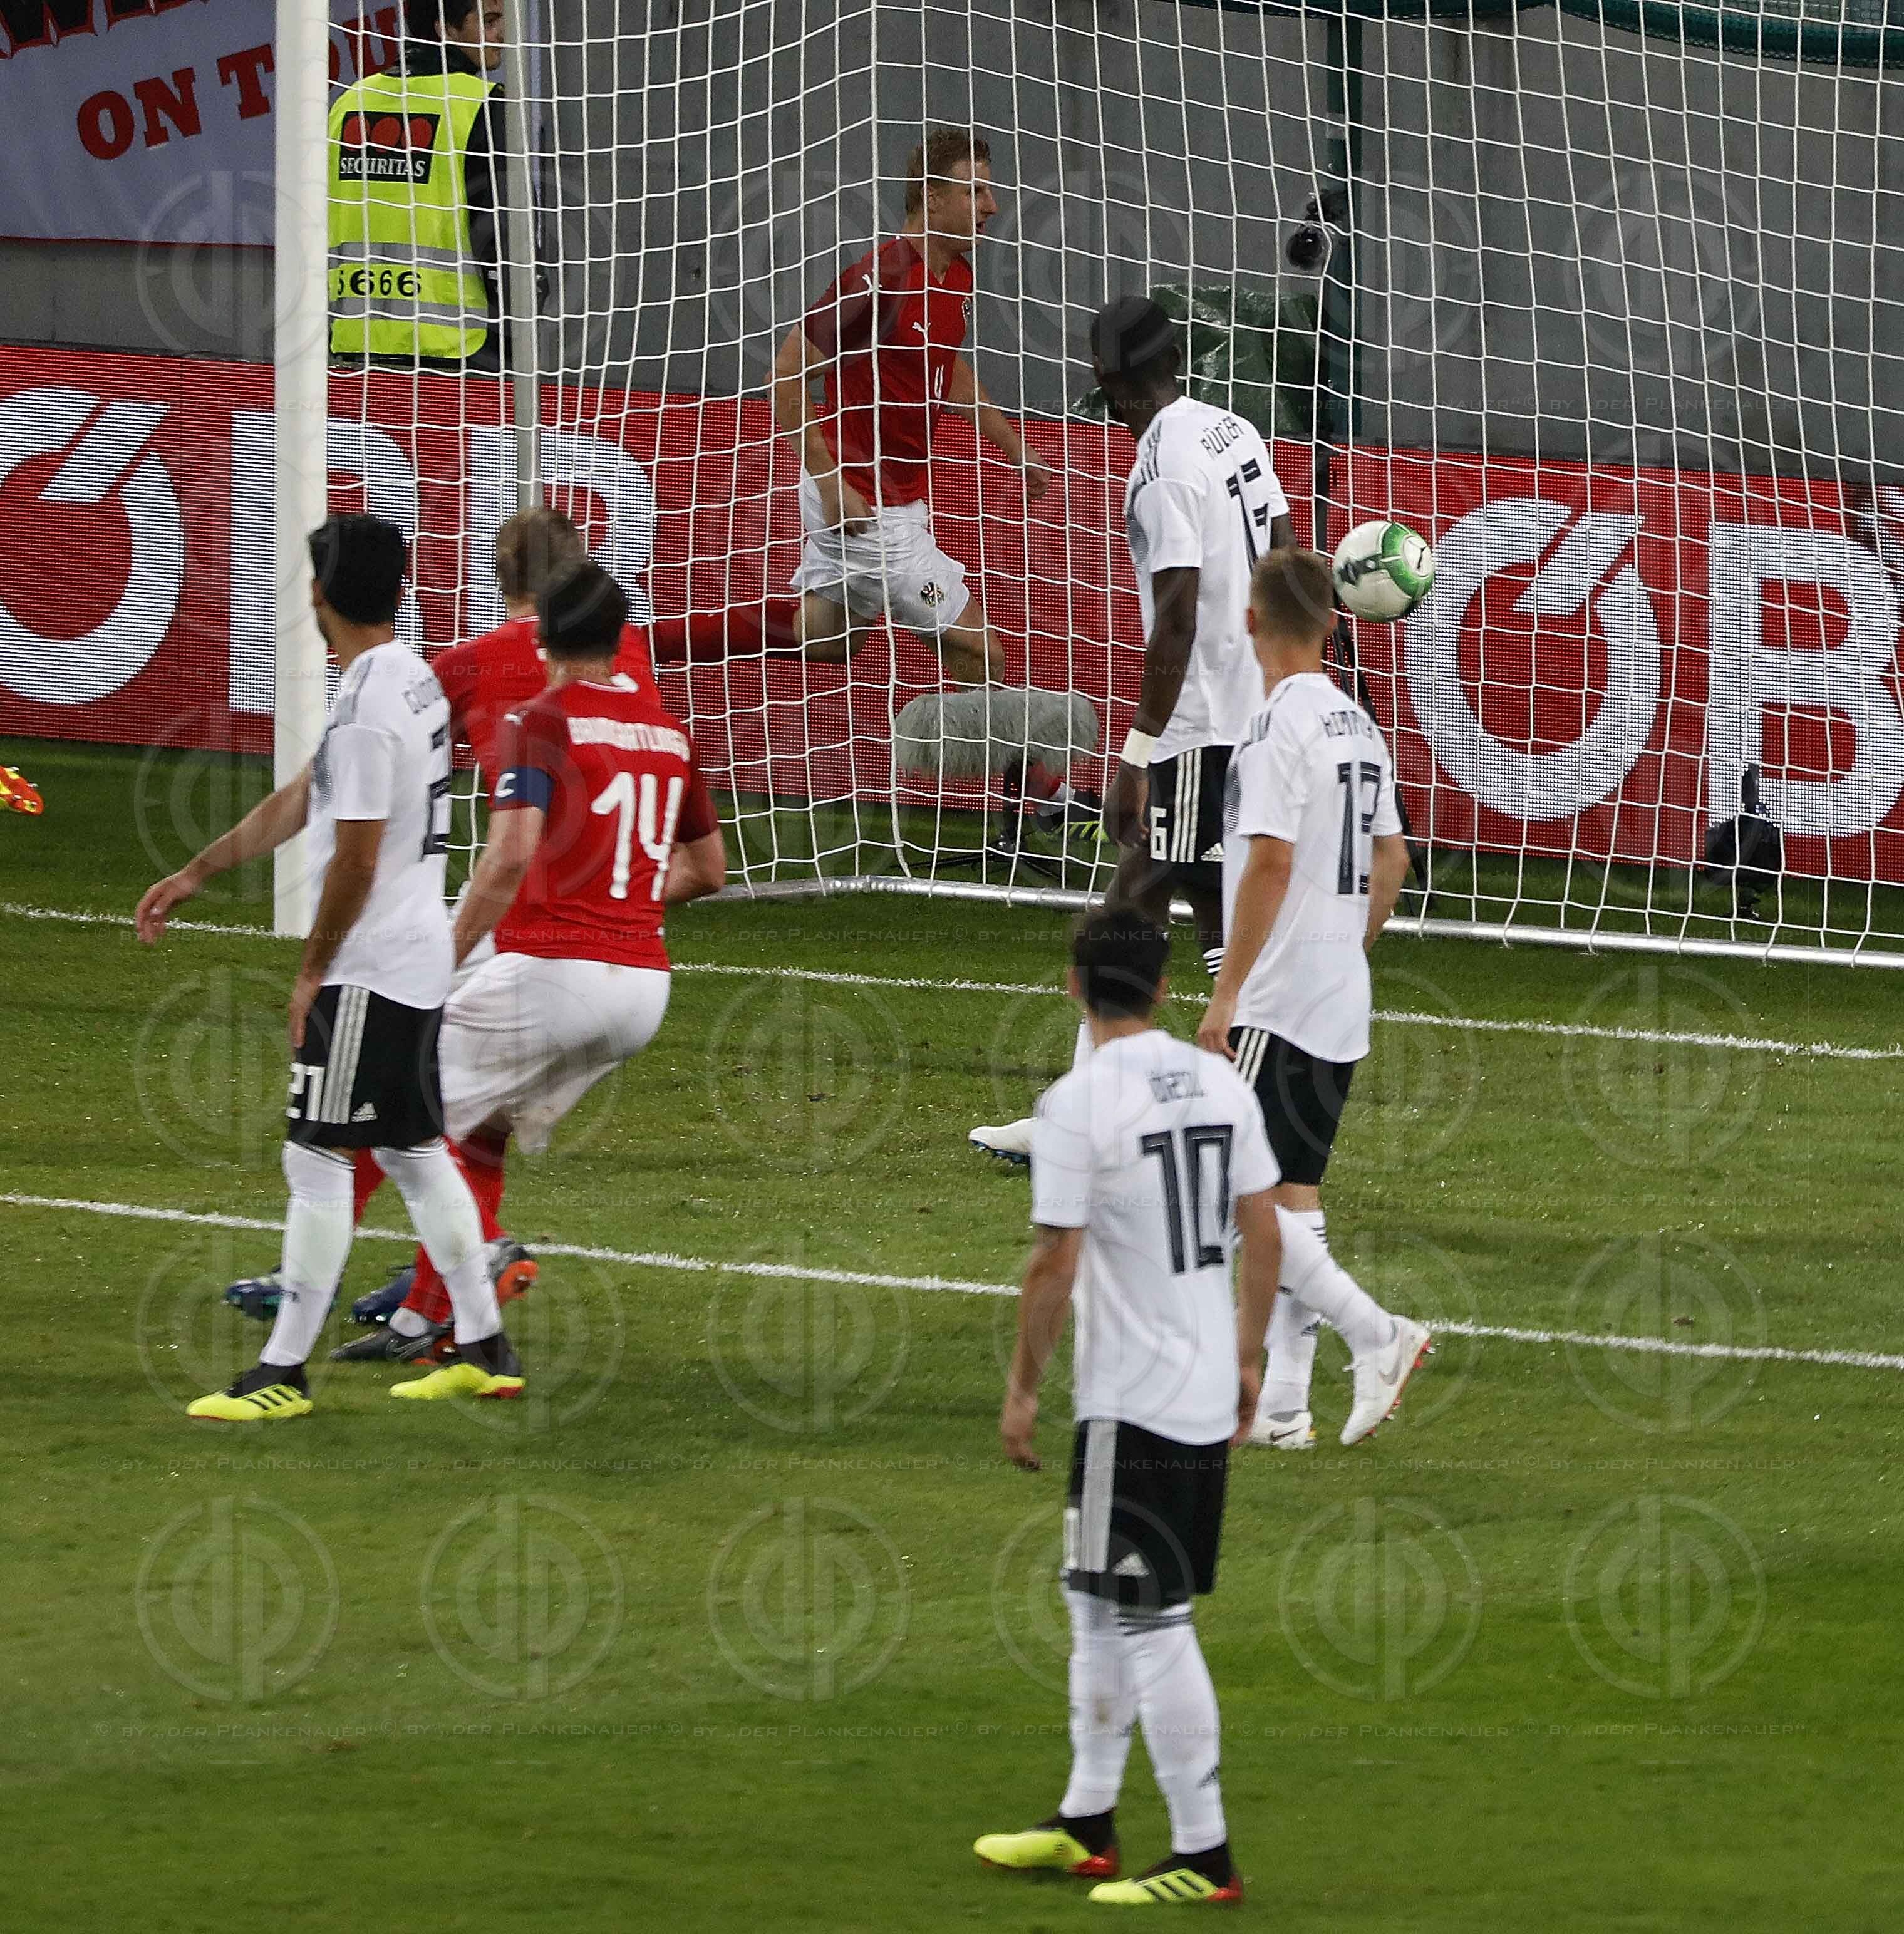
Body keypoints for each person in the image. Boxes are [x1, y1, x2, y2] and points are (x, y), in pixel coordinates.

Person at [220, 505, 653, 1351]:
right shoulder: (630, 661)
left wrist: (432, 950)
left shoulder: (455, 667)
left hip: (522, 932)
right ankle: (434, 1298)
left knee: (400, 1102)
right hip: (630, 945)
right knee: (471, 1124)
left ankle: (352, 1279)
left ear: (500, 579)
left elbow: (370, 778)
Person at [137, 513, 525, 1418]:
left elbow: (353, 857)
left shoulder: (363, 705)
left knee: (315, 1159)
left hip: (372, 967)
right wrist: (201, 869)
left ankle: (282, 1371)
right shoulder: (412, 679)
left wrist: (314, 969)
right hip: (421, 953)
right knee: (415, 1153)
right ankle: (484, 1347)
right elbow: (312, 792)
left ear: (318, 594)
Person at [974, 909, 1280, 1906]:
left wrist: (1023, 1386)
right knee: (1095, 1593)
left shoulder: (1078, 1103)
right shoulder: (1221, 1083)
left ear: (1073, 985)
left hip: (1132, 1401)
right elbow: (1264, 1226)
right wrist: (1249, 1356)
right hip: (1199, 1381)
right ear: (1159, 989)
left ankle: (1205, 1852)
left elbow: (1052, 1261)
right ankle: (1087, 1819)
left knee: (1151, 1619)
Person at [365, 556, 726, 1376]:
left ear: (542, 636)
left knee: (401, 1120)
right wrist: (623, 893)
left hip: (556, 974)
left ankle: (477, 1295)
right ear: (619, 636)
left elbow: (504, 861)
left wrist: (440, 963)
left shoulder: (540, 720)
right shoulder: (671, 735)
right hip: (643, 989)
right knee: (481, 1135)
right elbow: (708, 871)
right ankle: (427, 1318)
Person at [969, 293, 1292, 1164]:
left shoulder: (1160, 470)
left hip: (1200, 733)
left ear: (1108, 383)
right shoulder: (1235, 431)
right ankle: (1099, 1122)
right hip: (1256, 714)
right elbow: (1283, 552)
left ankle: (1204, 1136)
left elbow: (1177, 619)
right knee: (1162, 915)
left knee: (1166, 922)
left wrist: (1136, 756)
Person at [651, 130, 1052, 693]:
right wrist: (831, 479)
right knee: (981, 651)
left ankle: (641, 645)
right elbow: (783, 377)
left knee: (832, 636)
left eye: (989, 191)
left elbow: (945, 367)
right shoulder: (880, 279)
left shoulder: (956, 275)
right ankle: (1036, 785)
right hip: (861, 503)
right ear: (932, 198)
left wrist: (1015, 448)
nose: (993, 205)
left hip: (897, 495)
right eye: (976, 192)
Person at [1196, 547, 1429, 1449]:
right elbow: (1395, 858)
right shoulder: (1357, 723)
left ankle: (1379, 1334)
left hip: (1281, 996)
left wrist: (1227, 997)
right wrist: (1347, 946)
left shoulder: (1272, 728)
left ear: (1250, 624)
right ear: (1334, 624)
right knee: (1294, 1193)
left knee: (1233, 1195)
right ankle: (1284, 1406)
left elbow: (1271, 861)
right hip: (1340, 993)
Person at [329, 0, 526, 371]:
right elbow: (502, 233)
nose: (504, 32)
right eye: (490, 20)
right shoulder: (479, 103)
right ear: (445, 29)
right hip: (460, 344)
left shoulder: (349, 102)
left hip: (357, 336)